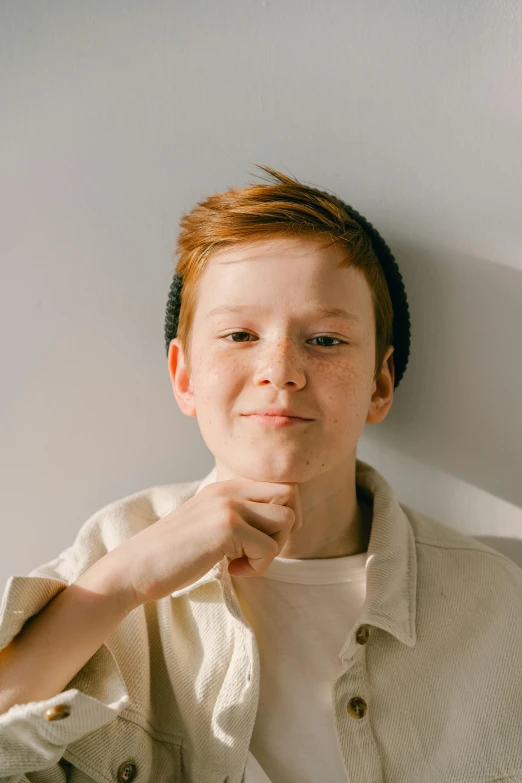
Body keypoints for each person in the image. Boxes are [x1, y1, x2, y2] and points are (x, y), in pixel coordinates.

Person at [0, 165, 521, 783]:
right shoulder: (111, 555)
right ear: (185, 376)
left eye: (326, 340)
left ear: (380, 385)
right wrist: (121, 585)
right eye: (240, 334)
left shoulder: (498, 606)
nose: (281, 370)